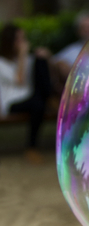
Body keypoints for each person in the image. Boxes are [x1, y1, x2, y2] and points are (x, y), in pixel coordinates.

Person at [0, 24, 52, 163]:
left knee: (40, 61)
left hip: (31, 97)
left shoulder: (27, 59)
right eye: (18, 39)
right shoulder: (2, 63)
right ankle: (31, 147)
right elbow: (20, 80)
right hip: (12, 102)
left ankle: (50, 97)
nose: (23, 43)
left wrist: (46, 57)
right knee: (38, 105)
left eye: (23, 38)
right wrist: (23, 54)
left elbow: (43, 77)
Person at [51, 12, 89, 90]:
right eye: (84, 27)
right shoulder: (72, 50)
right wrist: (59, 64)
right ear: (79, 31)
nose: (88, 30)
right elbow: (53, 61)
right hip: (81, 95)